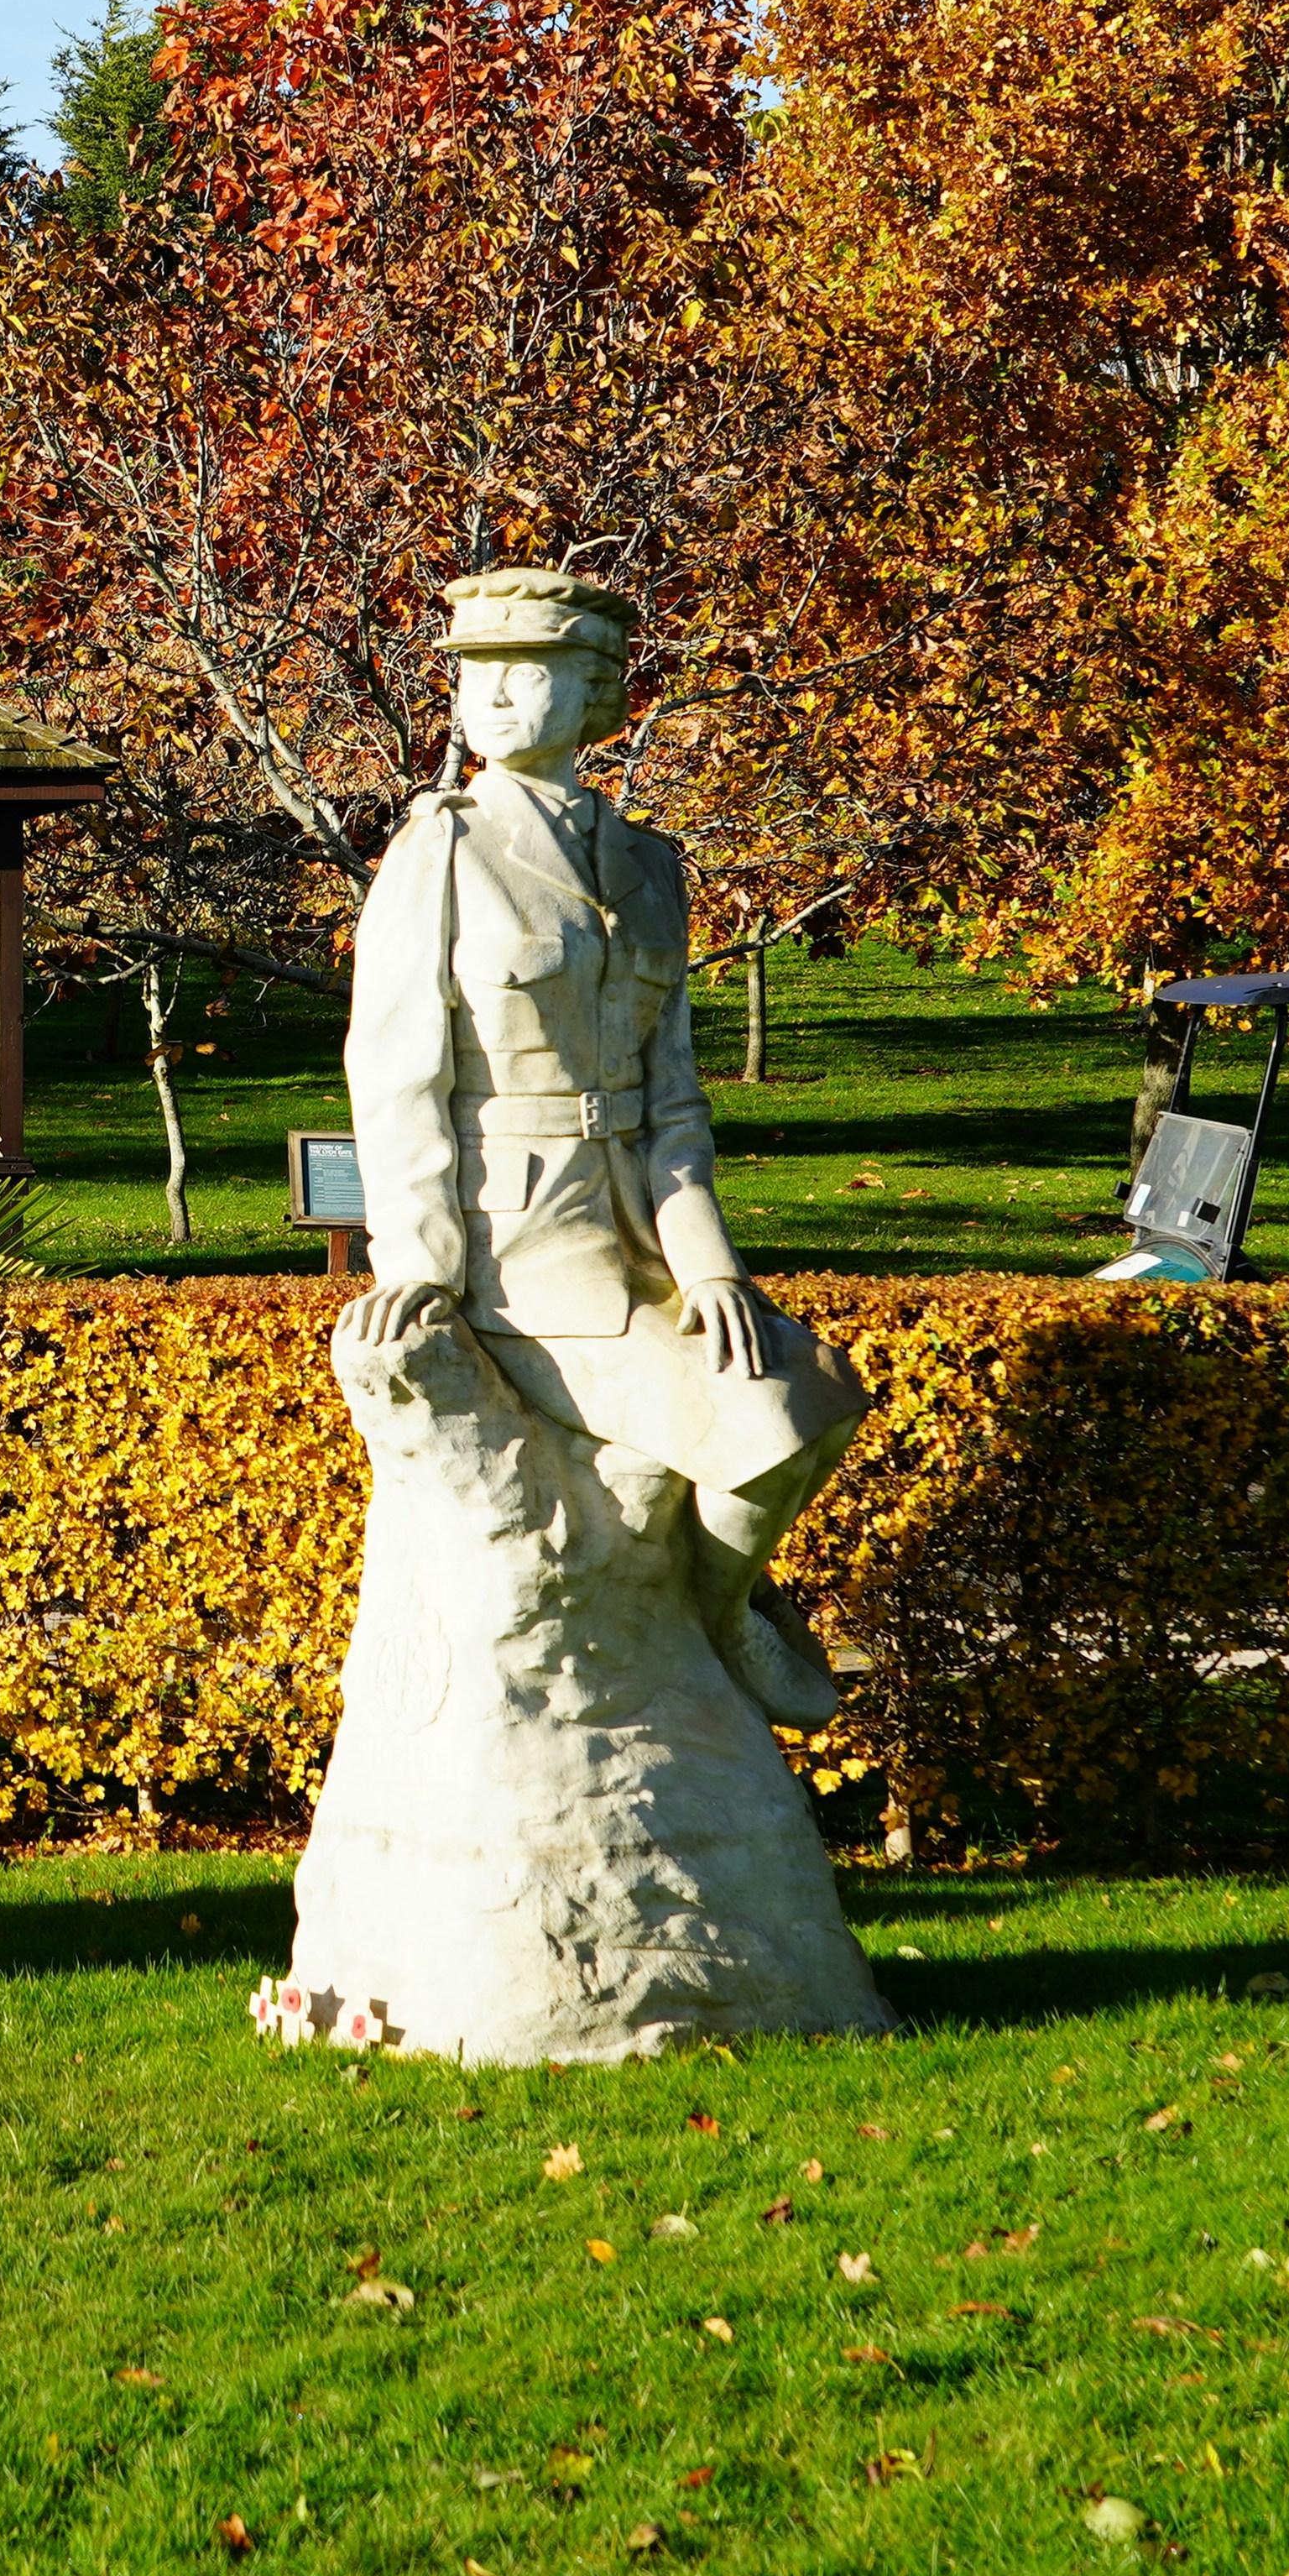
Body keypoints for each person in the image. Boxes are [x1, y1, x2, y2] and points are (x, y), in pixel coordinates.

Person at [335, 564, 857, 1718]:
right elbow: (395, 1074)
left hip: (639, 1234)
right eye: (476, 681)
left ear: (597, 695)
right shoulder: (442, 852)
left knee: (822, 1390)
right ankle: (723, 1625)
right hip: (520, 1257)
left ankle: (712, 1607)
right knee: (767, 1432)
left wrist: (709, 1260)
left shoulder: (650, 867)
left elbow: (671, 1098)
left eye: (531, 678)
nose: (497, 702)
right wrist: (419, 1270)